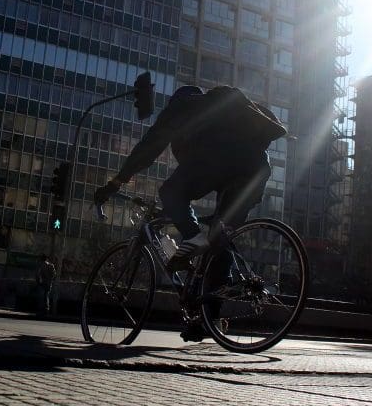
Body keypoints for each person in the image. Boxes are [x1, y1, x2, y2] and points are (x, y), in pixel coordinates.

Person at [94, 85, 286, 340]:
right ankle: (208, 319)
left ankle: (194, 239)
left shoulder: (183, 105)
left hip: (221, 157)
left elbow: (149, 147)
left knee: (171, 192)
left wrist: (116, 182)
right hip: (257, 169)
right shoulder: (224, 113)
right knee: (218, 238)